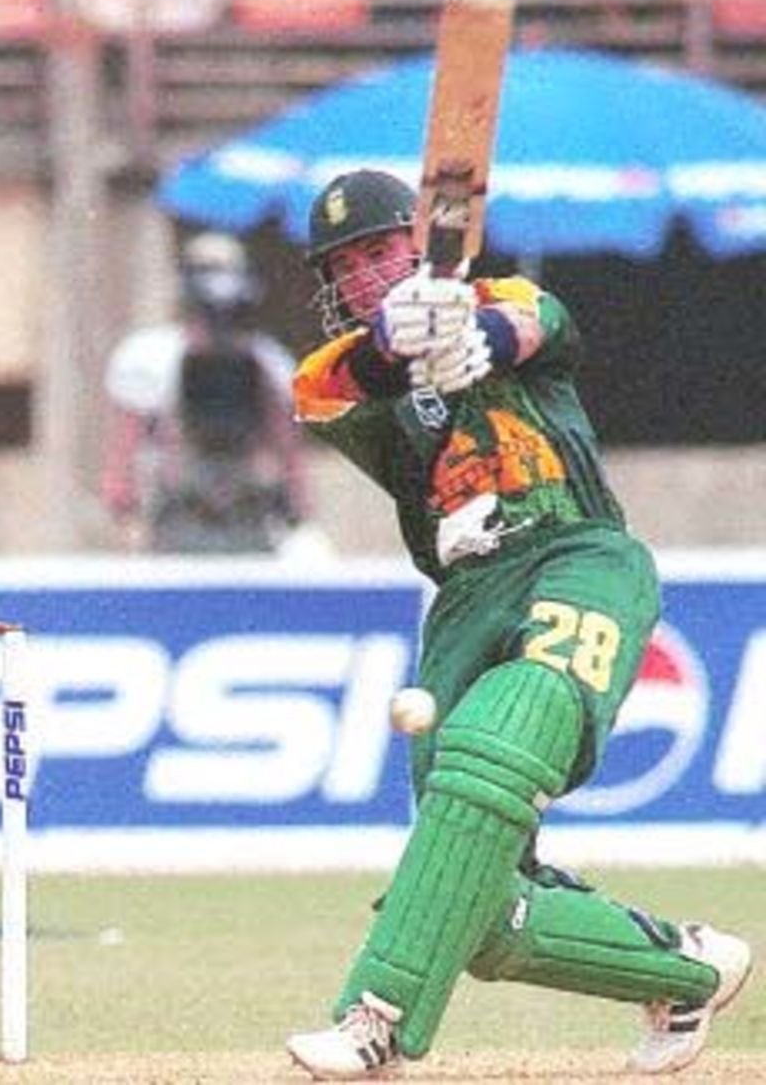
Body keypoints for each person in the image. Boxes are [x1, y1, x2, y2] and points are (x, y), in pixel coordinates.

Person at [284, 170, 752, 1079]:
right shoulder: (327, 379)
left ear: (422, 245)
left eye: (383, 253)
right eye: (349, 266)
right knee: (478, 905)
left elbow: (537, 322)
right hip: (464, 606)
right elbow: (354, 376)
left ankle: (372, 1020)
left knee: (509, 730)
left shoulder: (505, 298)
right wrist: (401, 337)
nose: (370, 276)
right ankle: (684, 968)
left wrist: (475, 334)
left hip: (578, 558)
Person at [101, 231, 310, 554]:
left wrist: (296, 503)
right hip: (177, 508)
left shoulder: (266, 362)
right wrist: (126, 506)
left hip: (247, 511)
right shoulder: (151, 357)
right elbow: (126, 447)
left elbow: (285, 443)